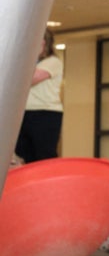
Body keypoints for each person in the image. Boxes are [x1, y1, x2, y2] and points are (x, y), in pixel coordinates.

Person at [16, 29, 63, 163]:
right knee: (24, 152)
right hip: (24, 112)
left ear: (44, 43)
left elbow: (29, 79)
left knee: (44, 154)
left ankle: (49, 182)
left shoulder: (53, 61)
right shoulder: (26, 64)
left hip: (45, 112)